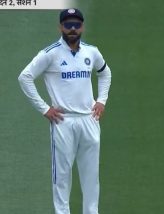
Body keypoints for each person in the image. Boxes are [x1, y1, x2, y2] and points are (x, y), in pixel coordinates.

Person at [18, 8, 111, 214]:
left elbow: (105, 73)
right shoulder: (50, 54)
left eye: (76, 25)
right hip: (63, 121)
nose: (72, 29)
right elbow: (25, 77)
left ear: (82, 27)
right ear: (60, 27)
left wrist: (102, 100)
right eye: (68, 25)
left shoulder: (91, 52)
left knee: (91, 178)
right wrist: (44, 108)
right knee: (61, 177)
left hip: (89, 119)